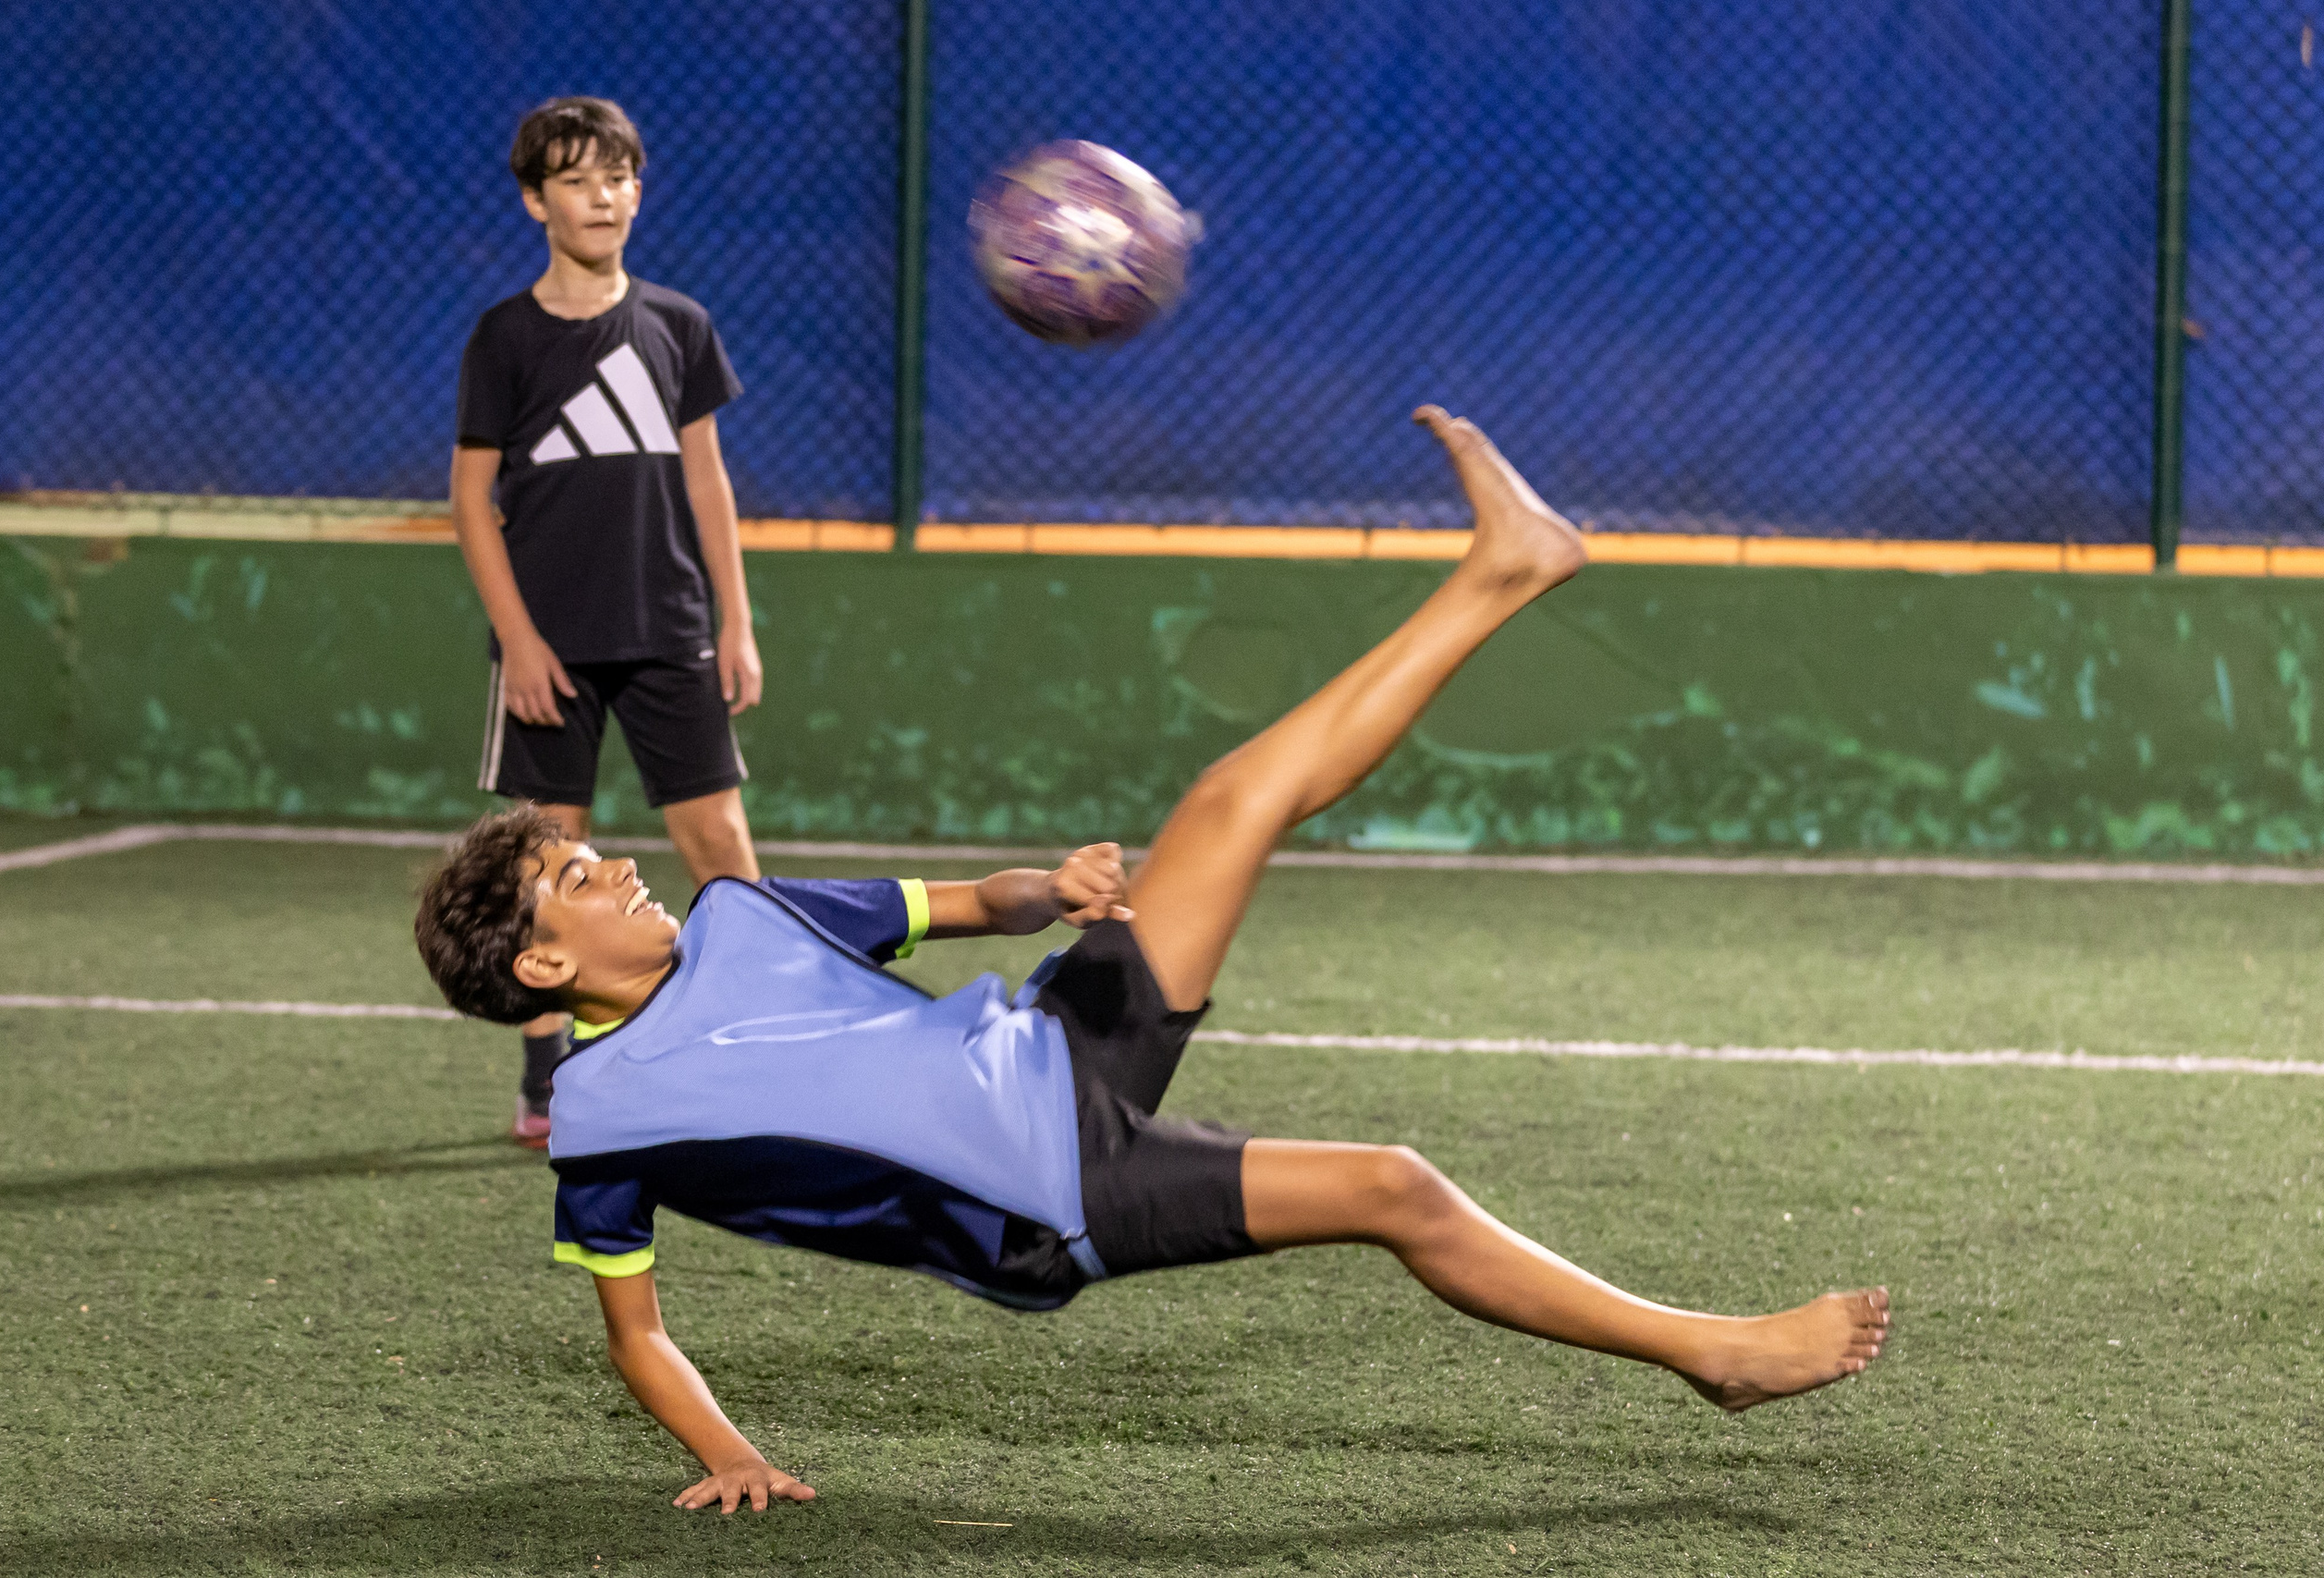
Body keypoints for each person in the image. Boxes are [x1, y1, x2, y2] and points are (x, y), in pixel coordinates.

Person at [415, 408, 1891, 1515]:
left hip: (1058, 1041)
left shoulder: (746, 912)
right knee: (1394, 1183)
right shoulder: (608, 1121)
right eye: (580, 875)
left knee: (1229, 798)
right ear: (543, 966)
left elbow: (963, 904)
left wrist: (1045, 888)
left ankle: (1508, 567)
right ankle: (1716, 1350)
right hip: (1049, 1198)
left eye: (597, 852)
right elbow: (639, 1328)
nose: (617, 864)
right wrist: (731, 1451)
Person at [448, 97, 764, 1149]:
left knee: (718, 838)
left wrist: (736, 621)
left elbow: (709, 484)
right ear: (537, 200)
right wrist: (520, 638)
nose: (604, 196)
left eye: (620, 176)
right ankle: (550, 1079)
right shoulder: (505, 337)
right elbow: (470, 501)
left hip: (669, 625)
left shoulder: (678, 325)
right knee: (549, 862)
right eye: (578, 179)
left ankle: (751, 1039)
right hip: (554, 645)